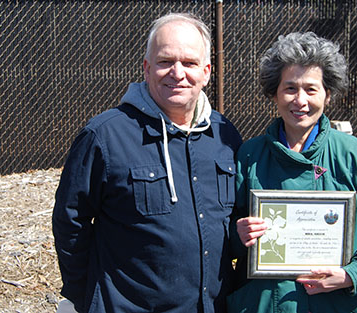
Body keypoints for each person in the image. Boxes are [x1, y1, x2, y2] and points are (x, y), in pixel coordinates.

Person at [52, 13, 242, 313]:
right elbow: (70, 220)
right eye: (166, 61)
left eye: (190, 63)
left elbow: (230, 224)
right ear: (146, 68)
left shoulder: (224, 135)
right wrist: (83, 294)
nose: (177, 73)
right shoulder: (105, 136)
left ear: (206, 72)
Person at [228, 32, 357, 313]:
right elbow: (214, 230)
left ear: (328, 95)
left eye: (311, 89)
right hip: (265, 304)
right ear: (275, 93)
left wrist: (354, 274)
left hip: (336, 305)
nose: (300, 100)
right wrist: (237, 235)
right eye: (290, 88)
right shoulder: (249, 157)